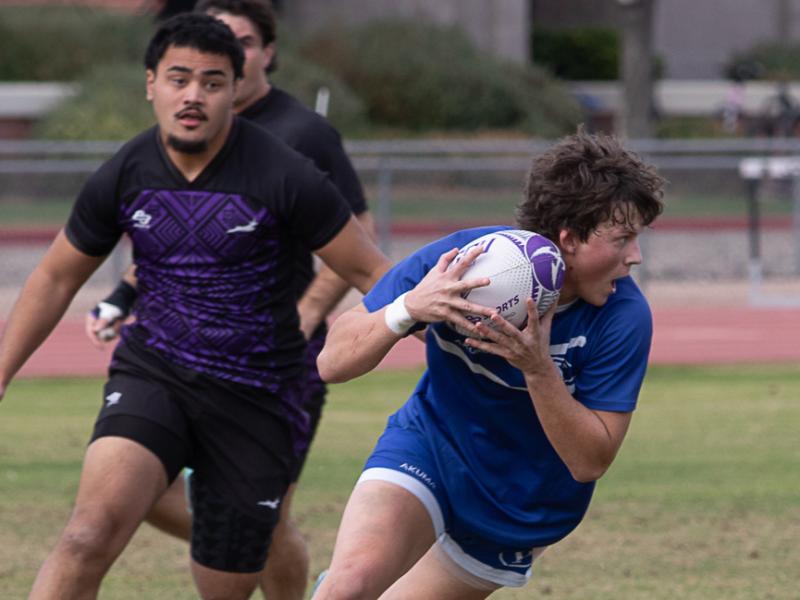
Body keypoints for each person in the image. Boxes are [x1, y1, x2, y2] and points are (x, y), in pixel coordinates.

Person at [0, 13, 389, 600]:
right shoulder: (127, 171)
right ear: (150, 83)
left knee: (223, 585)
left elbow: (370, 270)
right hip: (153, 372)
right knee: (86, 534)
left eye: (212, 82)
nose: (193, 95)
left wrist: (421, 325)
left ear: (236, 90)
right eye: (178, 78)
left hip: (257, 397)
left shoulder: (284, 173)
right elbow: (56, 277)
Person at [312, 130, 665, 600]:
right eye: (622, 238)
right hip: (431, 448)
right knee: (348, 586)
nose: (635, 257)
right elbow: (332, 362)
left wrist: (539, 369)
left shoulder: (623, 317)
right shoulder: (464, 263)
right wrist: (409, 309)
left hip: (519, 504)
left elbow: (589, 461)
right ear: (569, 238)